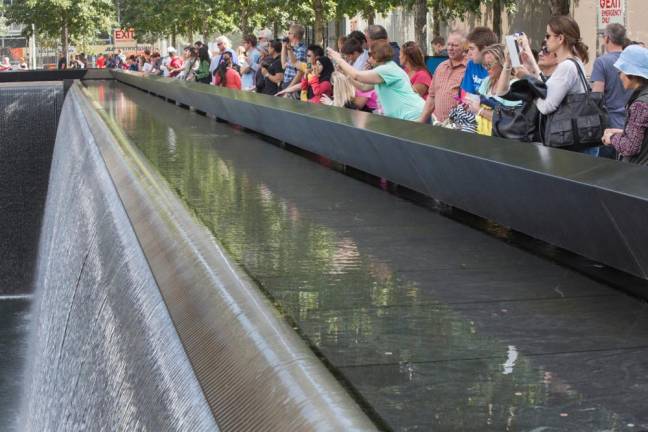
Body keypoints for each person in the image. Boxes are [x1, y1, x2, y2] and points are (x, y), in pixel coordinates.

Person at [514, 16, 591, 151]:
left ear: (560, 39)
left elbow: (546, 106)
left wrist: (527, 82)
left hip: (567, 142)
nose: (545, 40)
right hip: (576, 138)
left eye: (548, 35)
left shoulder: (566, 67)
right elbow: (545, 86)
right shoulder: (575, 61)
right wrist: (528, 59)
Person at [327, 40, 424, 121]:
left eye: (370, 54)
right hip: (409, 116)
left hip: (412, 116)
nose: (368, 58)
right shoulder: (387, 68)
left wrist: (339, 59)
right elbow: (364, 87)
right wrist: (346, 74)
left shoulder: (386, 69)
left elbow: (357, 75)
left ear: (377, 55)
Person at [602, 45, 648, 164]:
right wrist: (622, 132)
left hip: (639, 172)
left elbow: (630, 147)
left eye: (621, 71)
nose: (620, 76)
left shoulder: (640, 105)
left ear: (631, 73)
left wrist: (611, 138)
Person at [465, 44, 521, 134]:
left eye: (489, 65)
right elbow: (478, 104)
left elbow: (509, 120)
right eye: (484, 65)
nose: (486, 69)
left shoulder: (515, 85)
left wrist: (480, 110)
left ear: (502, 62)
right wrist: (470, 106)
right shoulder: (487, 81)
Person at [419, 31, 468, 123]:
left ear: (464, 47)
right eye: (448, 44)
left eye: (455, 45)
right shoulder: (441, 67)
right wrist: (420, 121)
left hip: (460, 127)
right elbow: (432, 97)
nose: (450, 48)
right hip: (438, 125)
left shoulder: (469, 69)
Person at [592, 23, 633, 130]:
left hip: (610, 124)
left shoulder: (601, 62)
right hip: (632, 122)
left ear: (607, 38)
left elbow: (597, 95)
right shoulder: (632, 60)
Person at [461, 27, 497, 98]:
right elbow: (466, 94)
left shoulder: (499, 68)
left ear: (484, 49)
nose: (469, 53)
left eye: (472, 49)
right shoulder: (471, 64)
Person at [281, 24, 307, 93]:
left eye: (289, 33)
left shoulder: (301, 50)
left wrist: (289, 89)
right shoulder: (292, 49)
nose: (288, 35)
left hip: (293, 84)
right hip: (286, 82)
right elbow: (283, 65)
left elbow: (300, 73)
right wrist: (284, 47)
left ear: (294, 35)